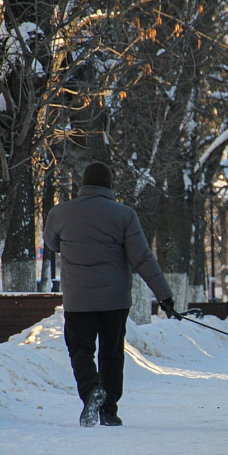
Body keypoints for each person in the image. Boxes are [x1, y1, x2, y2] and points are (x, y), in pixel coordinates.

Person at [44, 162, 180, 428]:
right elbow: (141, 258)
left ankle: (91, 389)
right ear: (108, 185)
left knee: (80, 349)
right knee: (111, 352)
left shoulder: (61, 213)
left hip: (78, 299)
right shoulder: (124, 215)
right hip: (114, 300)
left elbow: (51, 243)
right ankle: (108, 410)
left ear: (83, 183)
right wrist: (164, 296)